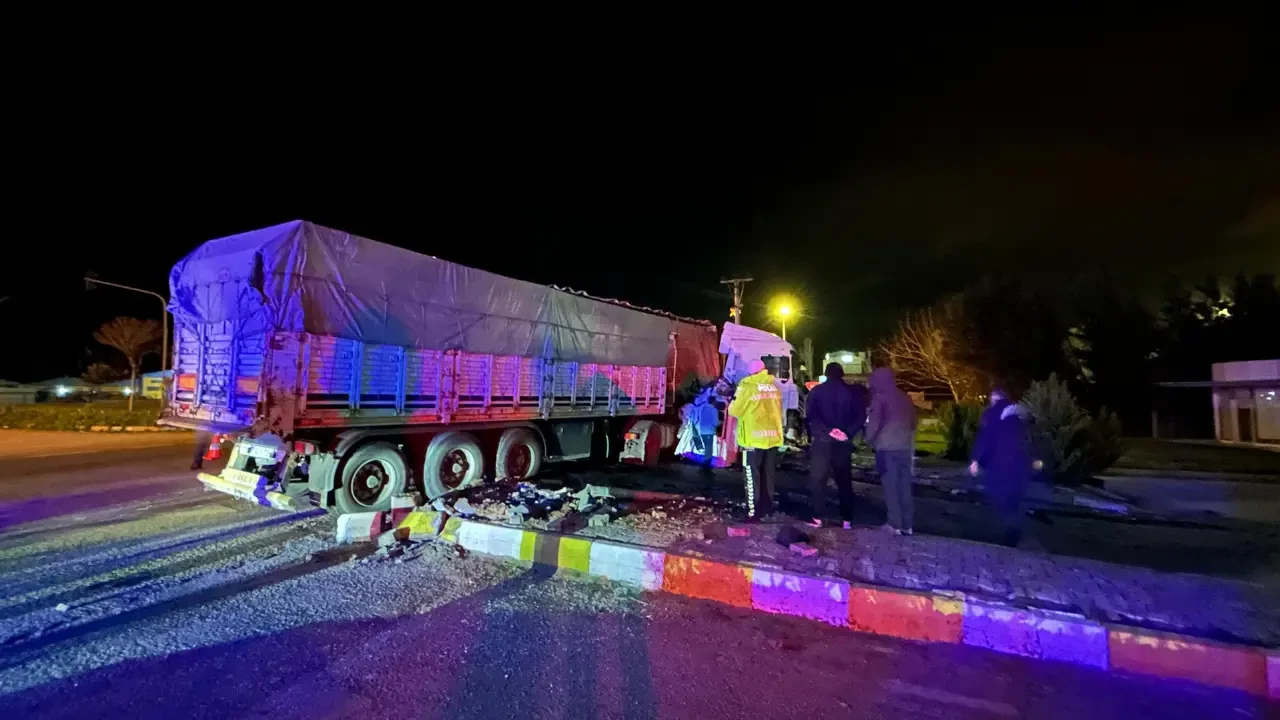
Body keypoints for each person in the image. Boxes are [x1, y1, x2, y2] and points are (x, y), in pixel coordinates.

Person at [970, 388, 1037, 547]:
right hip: (1021, 463)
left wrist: (976, 460)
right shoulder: (1019, 413)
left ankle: (1011, 532)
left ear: (994, 398)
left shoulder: (992, 413)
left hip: (1001, 463)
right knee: (1014, 496)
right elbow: (1031, 438)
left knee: (1001, 496)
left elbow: (986, 438)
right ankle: (1013, 526)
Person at [803, 362, 867, 528]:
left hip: (822, 443)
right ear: (842, 374)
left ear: (826, 374)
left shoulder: (816, 391)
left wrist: (828, 430)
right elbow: (860, 416)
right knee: (844, 482)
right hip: (843, 443)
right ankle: (847, 520)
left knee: (818, 481)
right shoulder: (853, 393)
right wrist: (846, 433)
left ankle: (817, 517)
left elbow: (811, 416)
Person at [728, 358, 784, 520]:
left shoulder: (747, 386)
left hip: (752, 439)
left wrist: (732, 400)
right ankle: (768, 509)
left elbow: (735, 411)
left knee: (752, 476)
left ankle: (753, 512)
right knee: (768, 475)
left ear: (750, 371)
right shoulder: (774, 385)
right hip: (772, 438)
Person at [866, 367, 918, 535]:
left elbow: (874, 424)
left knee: (891, 487)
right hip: (905, 448)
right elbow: (913, 423)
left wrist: (868, 439)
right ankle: (907, 526)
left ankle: (894, 524)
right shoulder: (906, 398)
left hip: (887, 450)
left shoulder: (880, 398)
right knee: (904, 487)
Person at [691, 387, 720, 476]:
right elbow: (716, 422)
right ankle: (706, 469)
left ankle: (704, 467)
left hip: (703, 430)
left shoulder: (702, 408)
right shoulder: (714, 410)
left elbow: (699, 418)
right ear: (713, 401)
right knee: (709, 450)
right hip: (710, 431)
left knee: (706, 449)